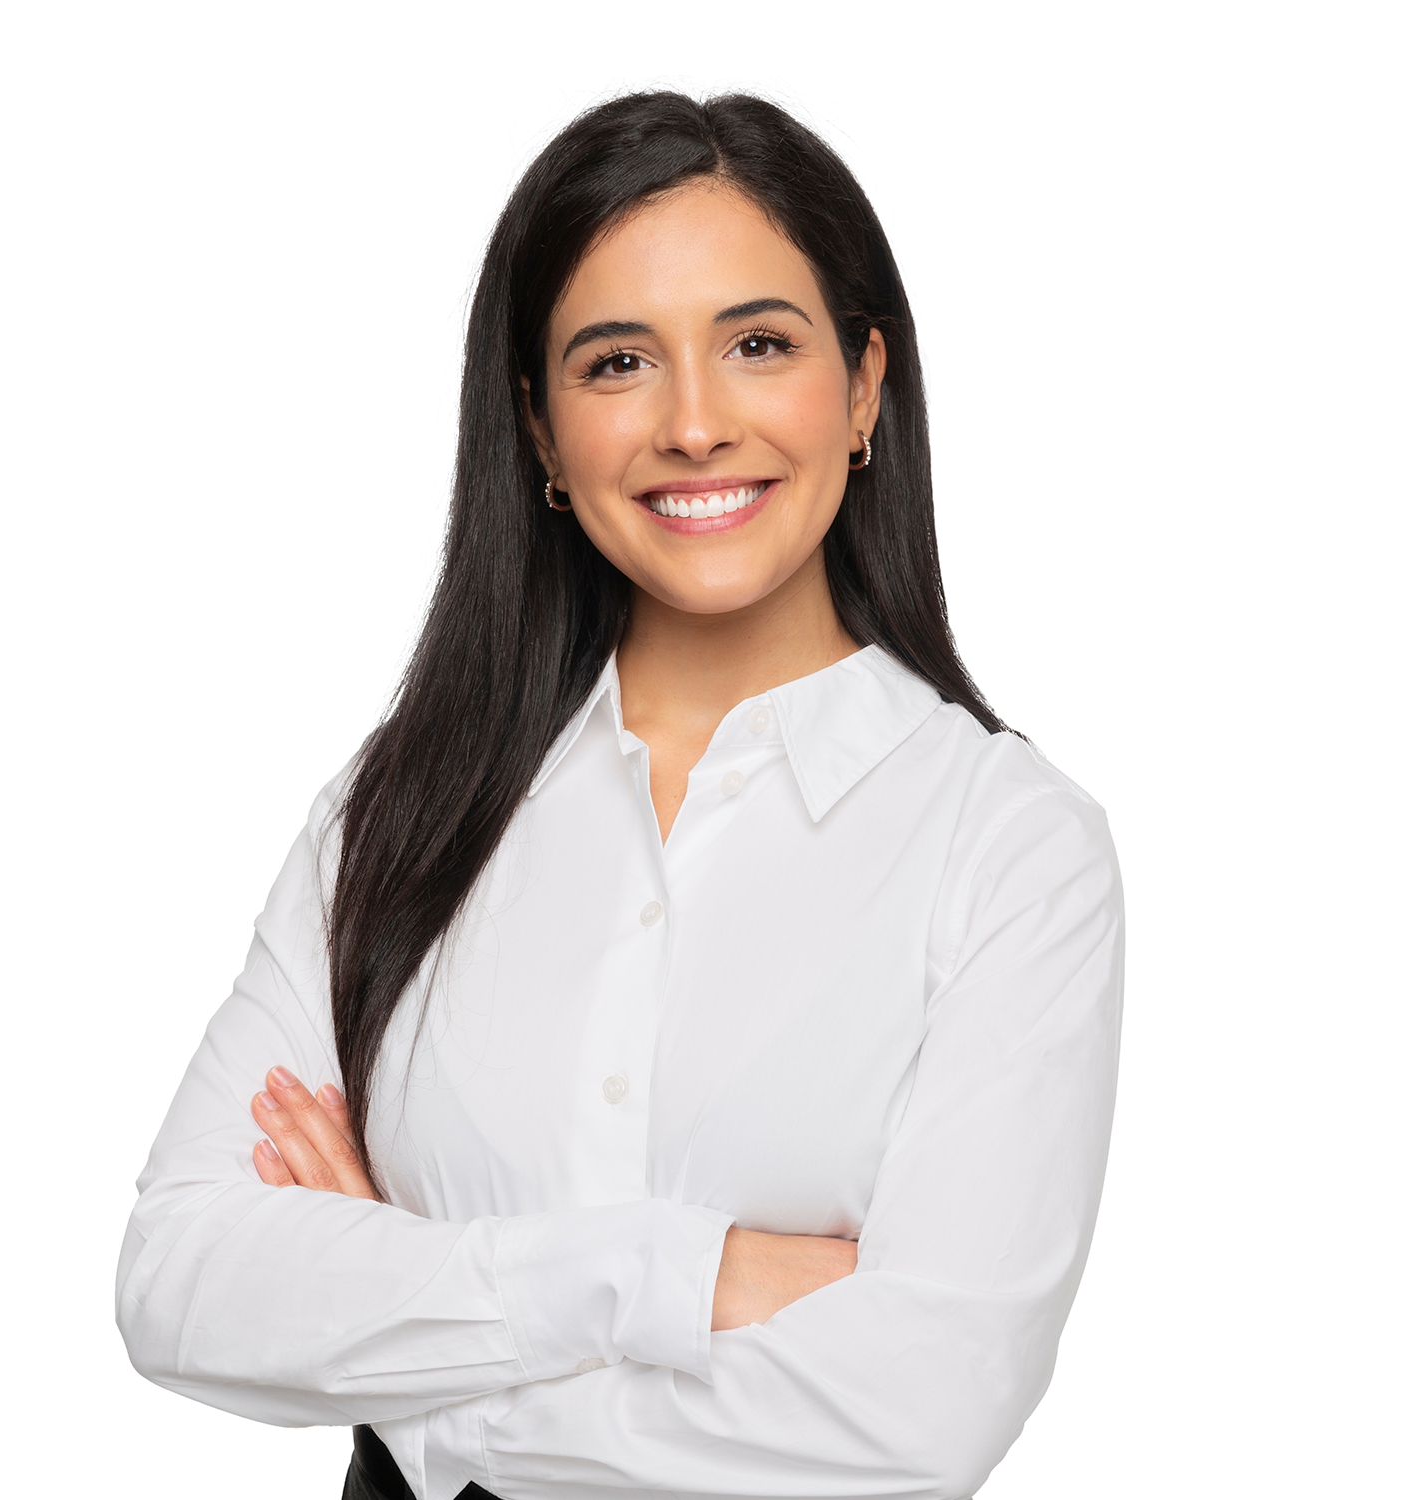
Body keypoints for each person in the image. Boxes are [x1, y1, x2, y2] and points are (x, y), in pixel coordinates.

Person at [117, 91, 1124, 1500]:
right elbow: (183, 1280)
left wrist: (423, 1391)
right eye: (615, 364)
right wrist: (678, 1277)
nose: (695, 425)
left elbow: (920, 1410)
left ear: (865, 390)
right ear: (537, 428)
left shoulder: (1009, 845)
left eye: (760, 345)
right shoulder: (401, 803)